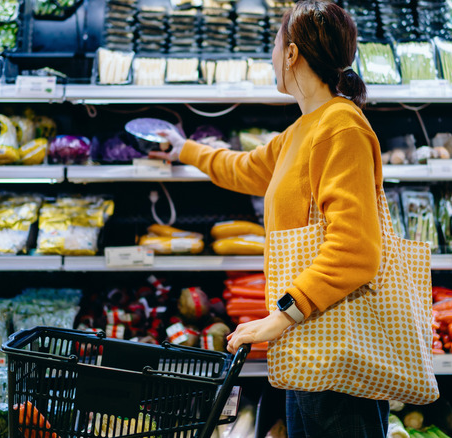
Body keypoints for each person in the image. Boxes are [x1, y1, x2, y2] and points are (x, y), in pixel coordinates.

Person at [150, 1, 387, 436]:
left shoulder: (342, 128)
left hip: (339, 358)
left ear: (293, 53)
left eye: (275, 46)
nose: (272, 57)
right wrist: (183, 148)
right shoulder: (302, 131)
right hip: (309, 347)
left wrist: (280, 316)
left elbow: (356, 251)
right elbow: (242, 168)